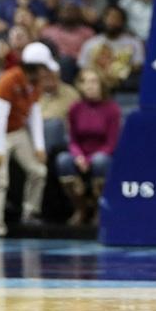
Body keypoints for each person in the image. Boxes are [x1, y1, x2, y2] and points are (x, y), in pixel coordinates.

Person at [0, 42, 56, 236]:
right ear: (35, 67)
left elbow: (34, 114)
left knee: (39, 171)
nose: (46, 73)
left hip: (18, 132)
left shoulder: (35, 84)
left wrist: (39, 146)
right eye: (44, 69)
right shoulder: (8, 80)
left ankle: (30, 212)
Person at [56, 69, 121, 225]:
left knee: (100, 161)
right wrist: (79, 156)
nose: (90, 86)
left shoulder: (112, 109)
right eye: (85, 82)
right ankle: (80, 208)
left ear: (101, 85)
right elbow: (72, 140)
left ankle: (100, 209)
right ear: (80, 86)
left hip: (102, 155)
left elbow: (112, 143)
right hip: (80, 155)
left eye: (94, 82)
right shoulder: (75, 108)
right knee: (62, 160)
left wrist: (90, 160)